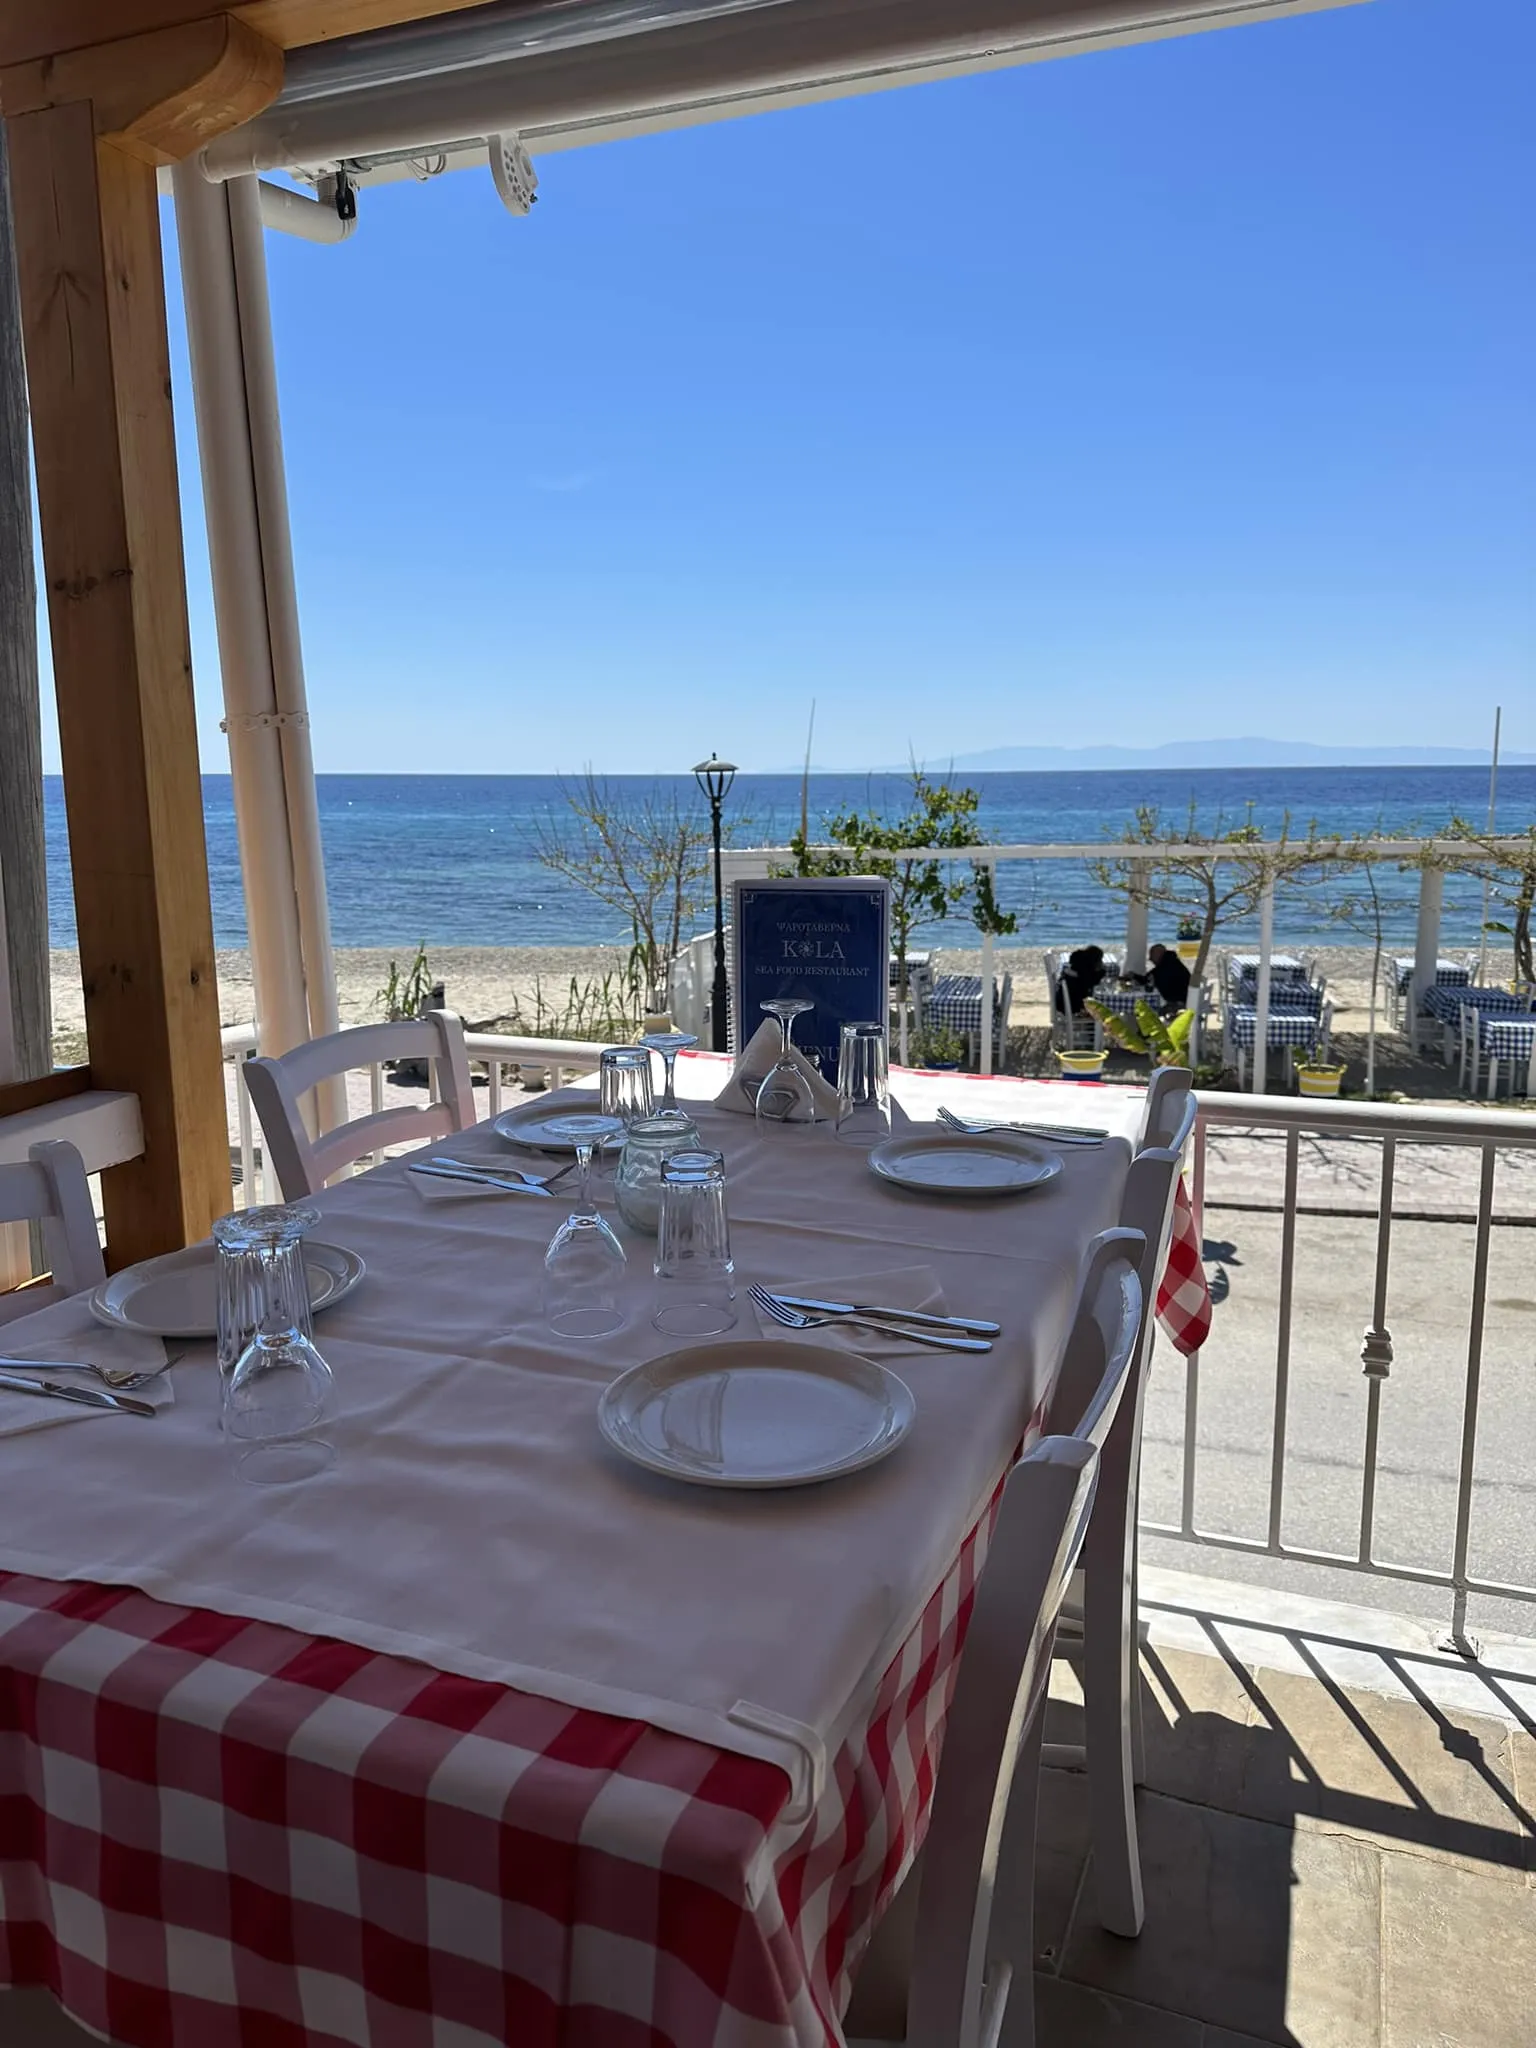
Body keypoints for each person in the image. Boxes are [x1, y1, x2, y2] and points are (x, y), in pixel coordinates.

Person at [1060, 944, 1108, 1014]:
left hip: (1063, 1003)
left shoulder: (1075, 967)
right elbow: (1093, 981)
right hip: (1075, 1007)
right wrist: (1101, 971)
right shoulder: (1086, 974)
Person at [1146, 941, 1192, 1012]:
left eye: (1152, 955)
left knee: (1147, 1008)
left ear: (1158, 954)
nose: (1150, 959)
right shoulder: (1171, 961)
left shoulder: (1166, 966)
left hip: (1178, 1003)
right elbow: (1150, 976)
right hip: (1184, 999)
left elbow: (1150, 979)